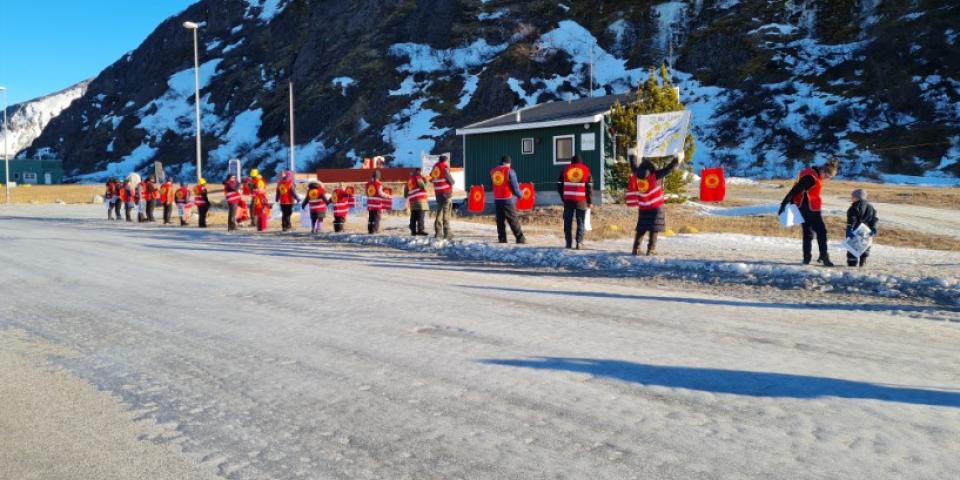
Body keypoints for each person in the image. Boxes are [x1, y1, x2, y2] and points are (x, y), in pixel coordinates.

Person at [779, 160, 839, 266]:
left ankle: (807, 258)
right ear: (824, 172)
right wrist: (784, 203)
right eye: (828, 176)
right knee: (821, 232)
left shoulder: (811, 172)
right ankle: (824, 257)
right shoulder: (811, 177)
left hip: (804, 206)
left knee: (808, 233)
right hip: (810, 208)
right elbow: (795, 190)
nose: (827, 179)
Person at [630, 151, 681, 256]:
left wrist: (632, 155)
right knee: (654, 229)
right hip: (655, 206)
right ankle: (651, 249)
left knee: (641, 228)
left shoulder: (636, 174)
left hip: (643, 206)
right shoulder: (655, 175)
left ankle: (636, 249)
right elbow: (669, 168)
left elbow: (633, 165)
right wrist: (676, 159)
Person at [557, 154, 593, 249]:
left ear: (572, 162)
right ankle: (579, 243)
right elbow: (589, 187)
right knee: (580, 222)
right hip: (581, 201)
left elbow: (559, 185)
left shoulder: (565, 170)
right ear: (581, 162)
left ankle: (568, 243)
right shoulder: (586, 170)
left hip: (568, 200)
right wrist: (589, 201)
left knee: (567, 222)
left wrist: (563, 197)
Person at [491, 155, 527, 244]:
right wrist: (521, 194)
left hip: (497, 199)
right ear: (509, 163)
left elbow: (493, 185)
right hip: (507, 199)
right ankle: (520, 238)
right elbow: (515, 187)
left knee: (500, 221)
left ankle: (502, 239)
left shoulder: (493, 171)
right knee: (513, 220)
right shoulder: (509, 171)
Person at [846, 188, 879, 268]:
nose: (851, 198)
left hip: (856, 231)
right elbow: (874, 218)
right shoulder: (870, 207)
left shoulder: (854, 207)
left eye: (852, 197)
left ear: (858, 197)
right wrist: (873, 227)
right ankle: (863, 261)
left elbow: (852, 218)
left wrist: (850, 227)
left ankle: (852, 264)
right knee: (865, 246)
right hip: (866, 231)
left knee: (853, 248)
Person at [429, 154, 455, 239]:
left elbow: (431, 179)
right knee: (446, 213)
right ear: (445, 161)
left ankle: (438, 232)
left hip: (438, 193)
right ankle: (447, 233)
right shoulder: (444, 167)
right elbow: (451, 181)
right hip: (446, 193)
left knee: (439, 212)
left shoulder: (435, 168)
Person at [404, 169, 429, 236]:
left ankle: (413, 230)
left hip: (412, 200)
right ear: (418, 172)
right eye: (422, 172)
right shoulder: (418, 178)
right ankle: (420, 230)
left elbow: (405, 193)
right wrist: (425, 179)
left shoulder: (410, 180)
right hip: (420, 200)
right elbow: (425, 187)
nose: (422, 173)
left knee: (414, 215)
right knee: (421, 215)